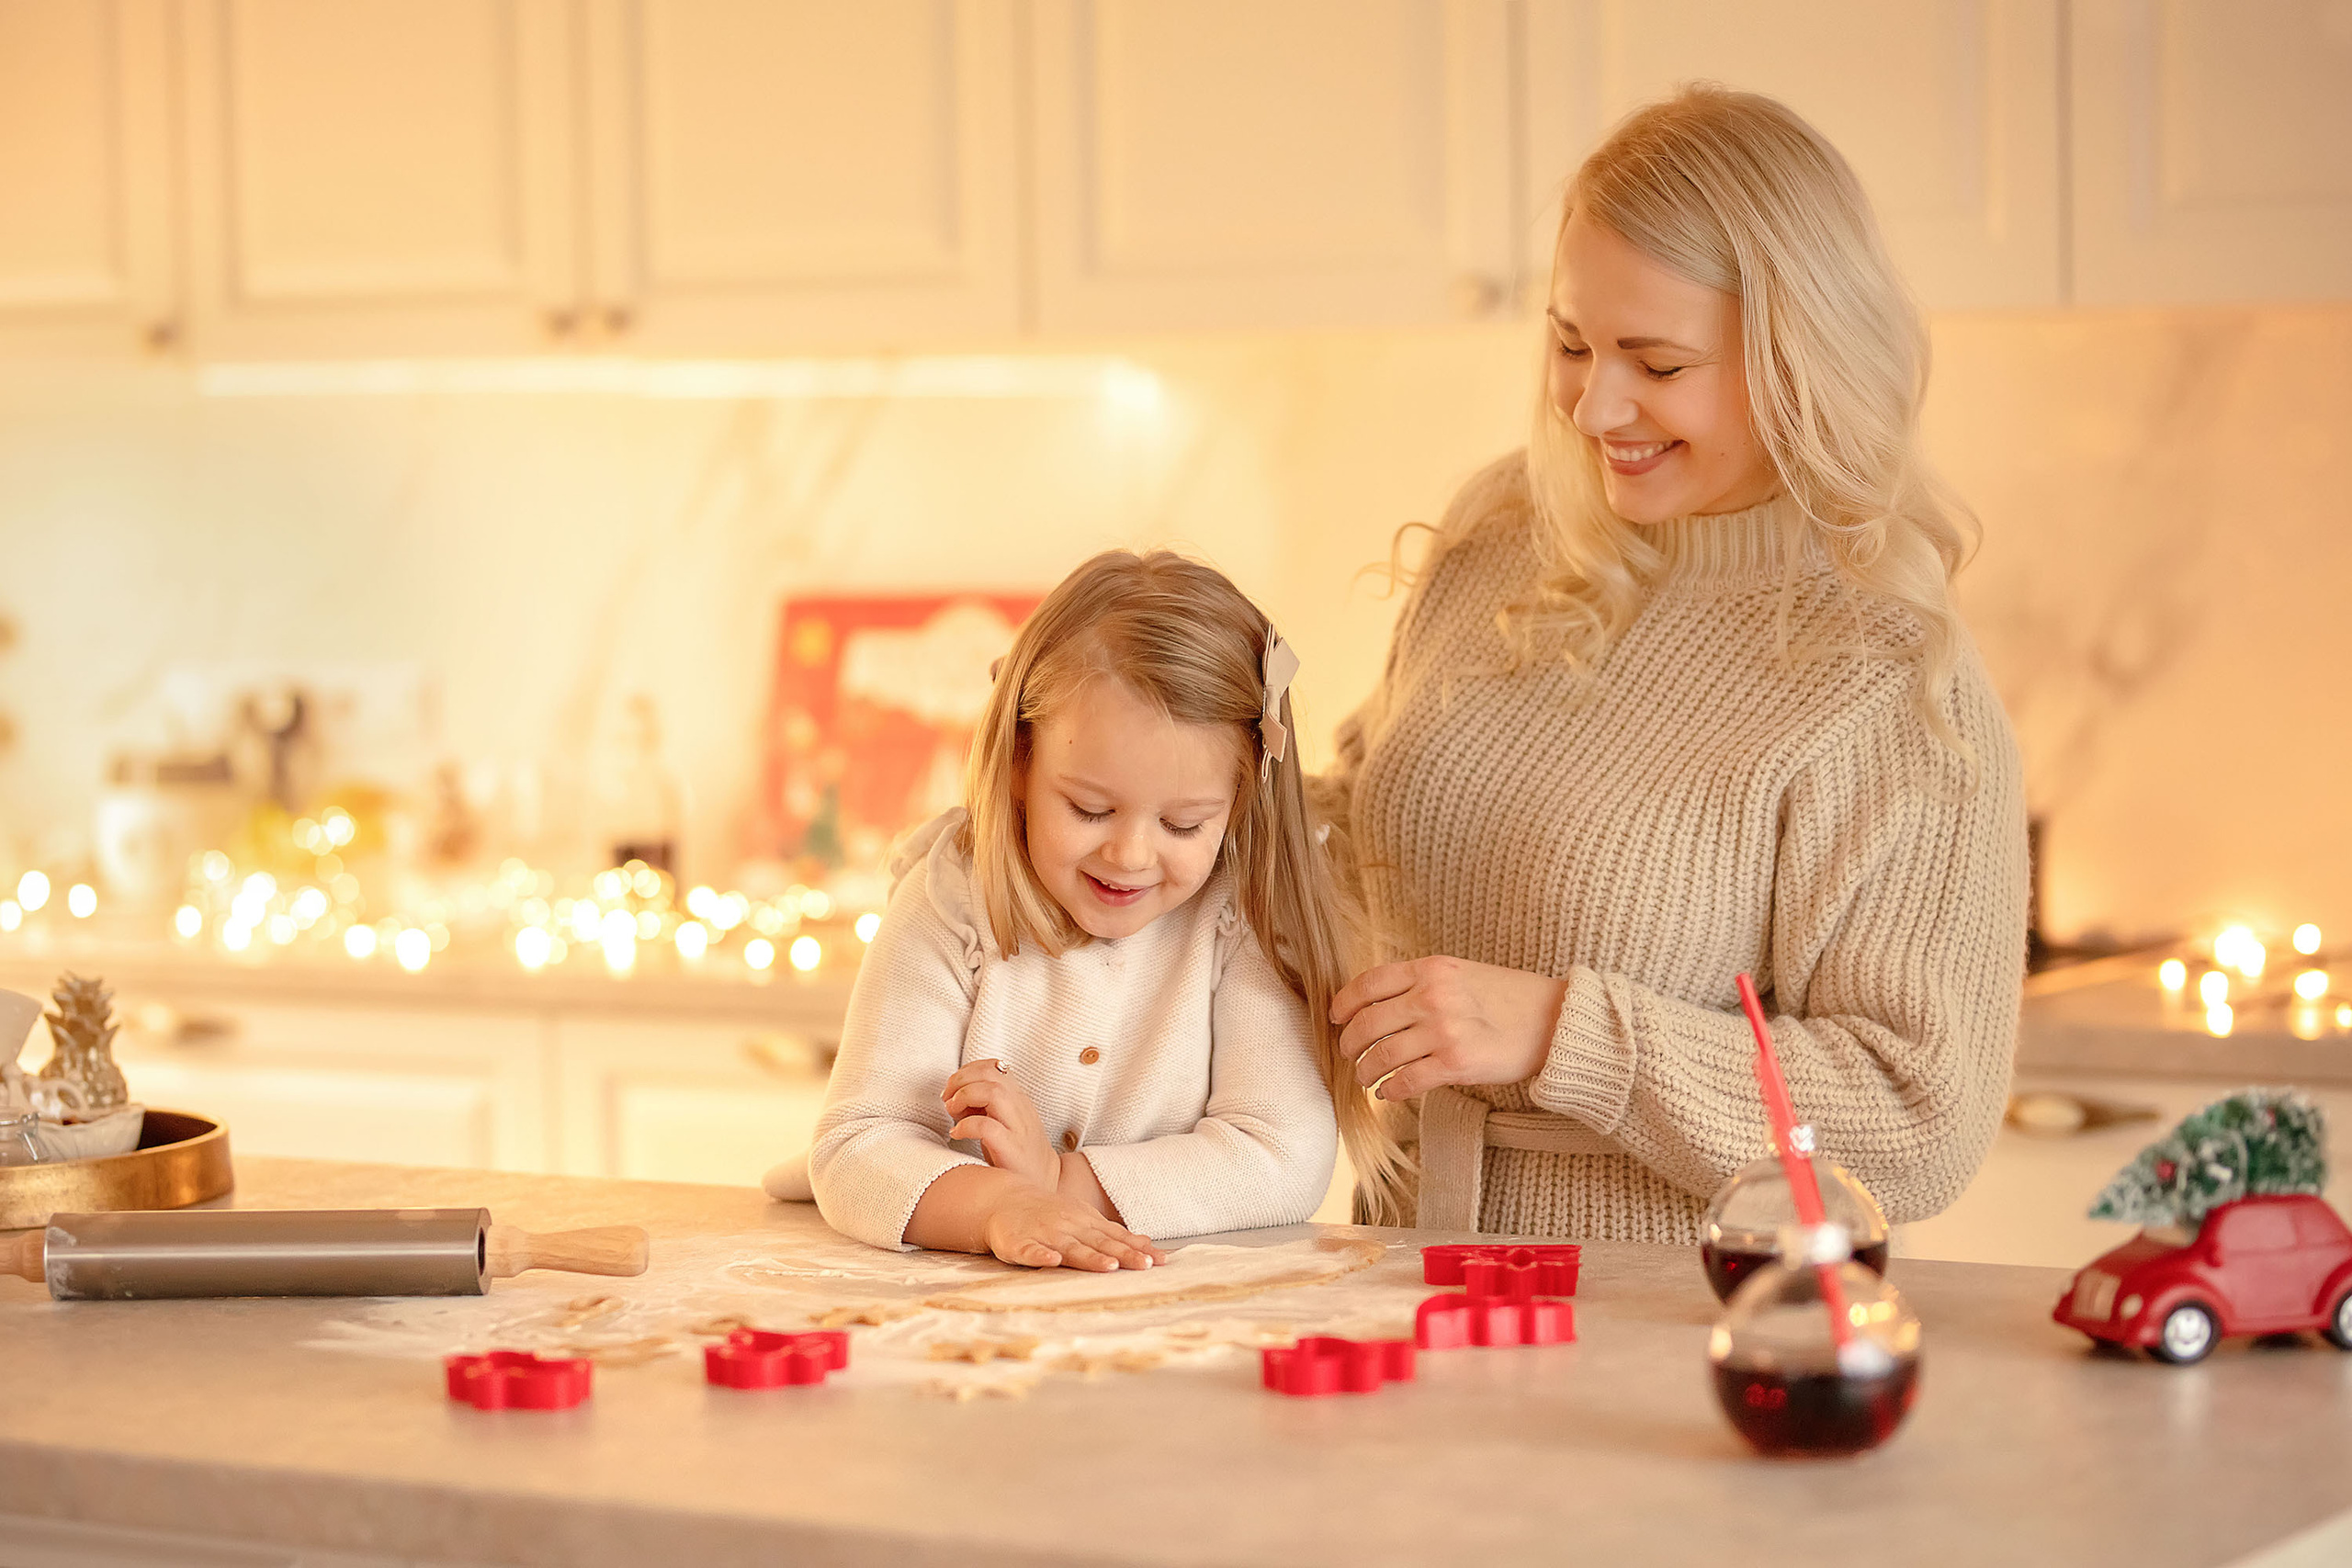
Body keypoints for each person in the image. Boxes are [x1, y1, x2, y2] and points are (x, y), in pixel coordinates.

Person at [1317, 85, 2030, 1242]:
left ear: (1797, 359)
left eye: (1656, 363)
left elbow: (1917, 1115)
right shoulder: (1505, 528)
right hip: (1393, 1273)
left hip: (1668, 1326)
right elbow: (1361, 829)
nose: (1596, 407)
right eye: (1569, 343)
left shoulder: (1887, 670)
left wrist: (1564, 1034)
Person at [776, 550, 1405, 1269]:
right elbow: (859, 1143)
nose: (1132, 855)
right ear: (1019, 761)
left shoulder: (1246, 917)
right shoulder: (952, 899)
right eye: (1090, 808)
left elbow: (1279, 1156)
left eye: (1184, 825)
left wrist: (1059, 1183)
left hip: (1173, 1323)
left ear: (1240, 802)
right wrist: (999, 1205)